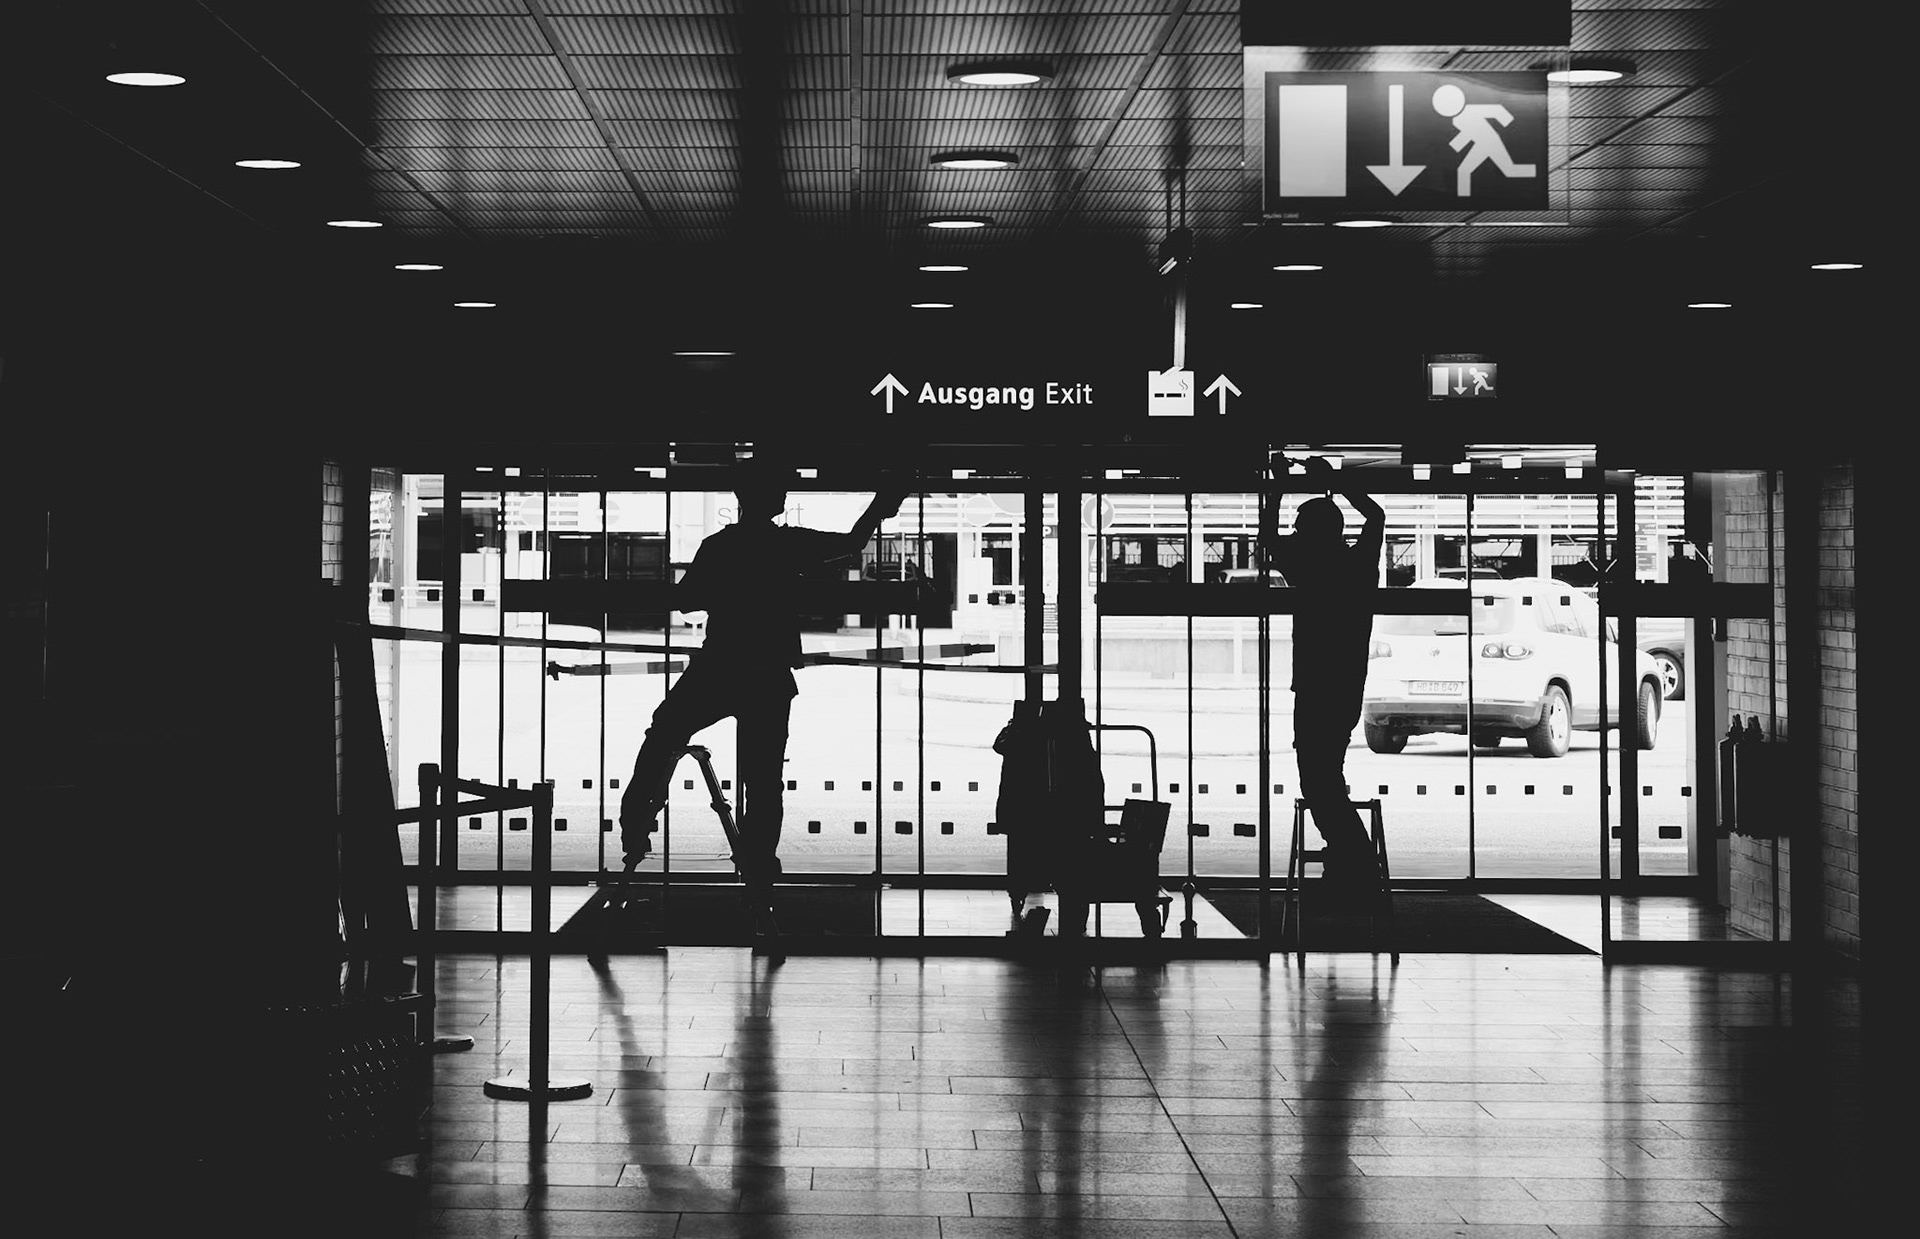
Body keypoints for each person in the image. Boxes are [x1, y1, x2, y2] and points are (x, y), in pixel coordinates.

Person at [619, 461, 909, 888]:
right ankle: (758, 863)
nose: (785, 497)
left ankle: (636, 823)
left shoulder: (718, 545)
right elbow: (850, 544)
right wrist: (879, 508)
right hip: (769, 672)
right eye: (780, 490)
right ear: (772, 500)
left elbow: (687, 600)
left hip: (720, 663)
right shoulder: (786, 545)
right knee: (763, 776)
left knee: (664, 732)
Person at [1259, 455, 1386, 884]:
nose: (1294, 534)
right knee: (1326, 774)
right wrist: (1333, 482)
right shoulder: (1359, 563)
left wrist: (1278, 487)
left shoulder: (1306, 566)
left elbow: (1268, 538)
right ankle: (1346, 857)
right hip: (1346, 684)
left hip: (1312, 685)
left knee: (1318, 779)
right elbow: (1376, 515)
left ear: (1309, 534)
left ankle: (1356, 860)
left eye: (1300, 528)